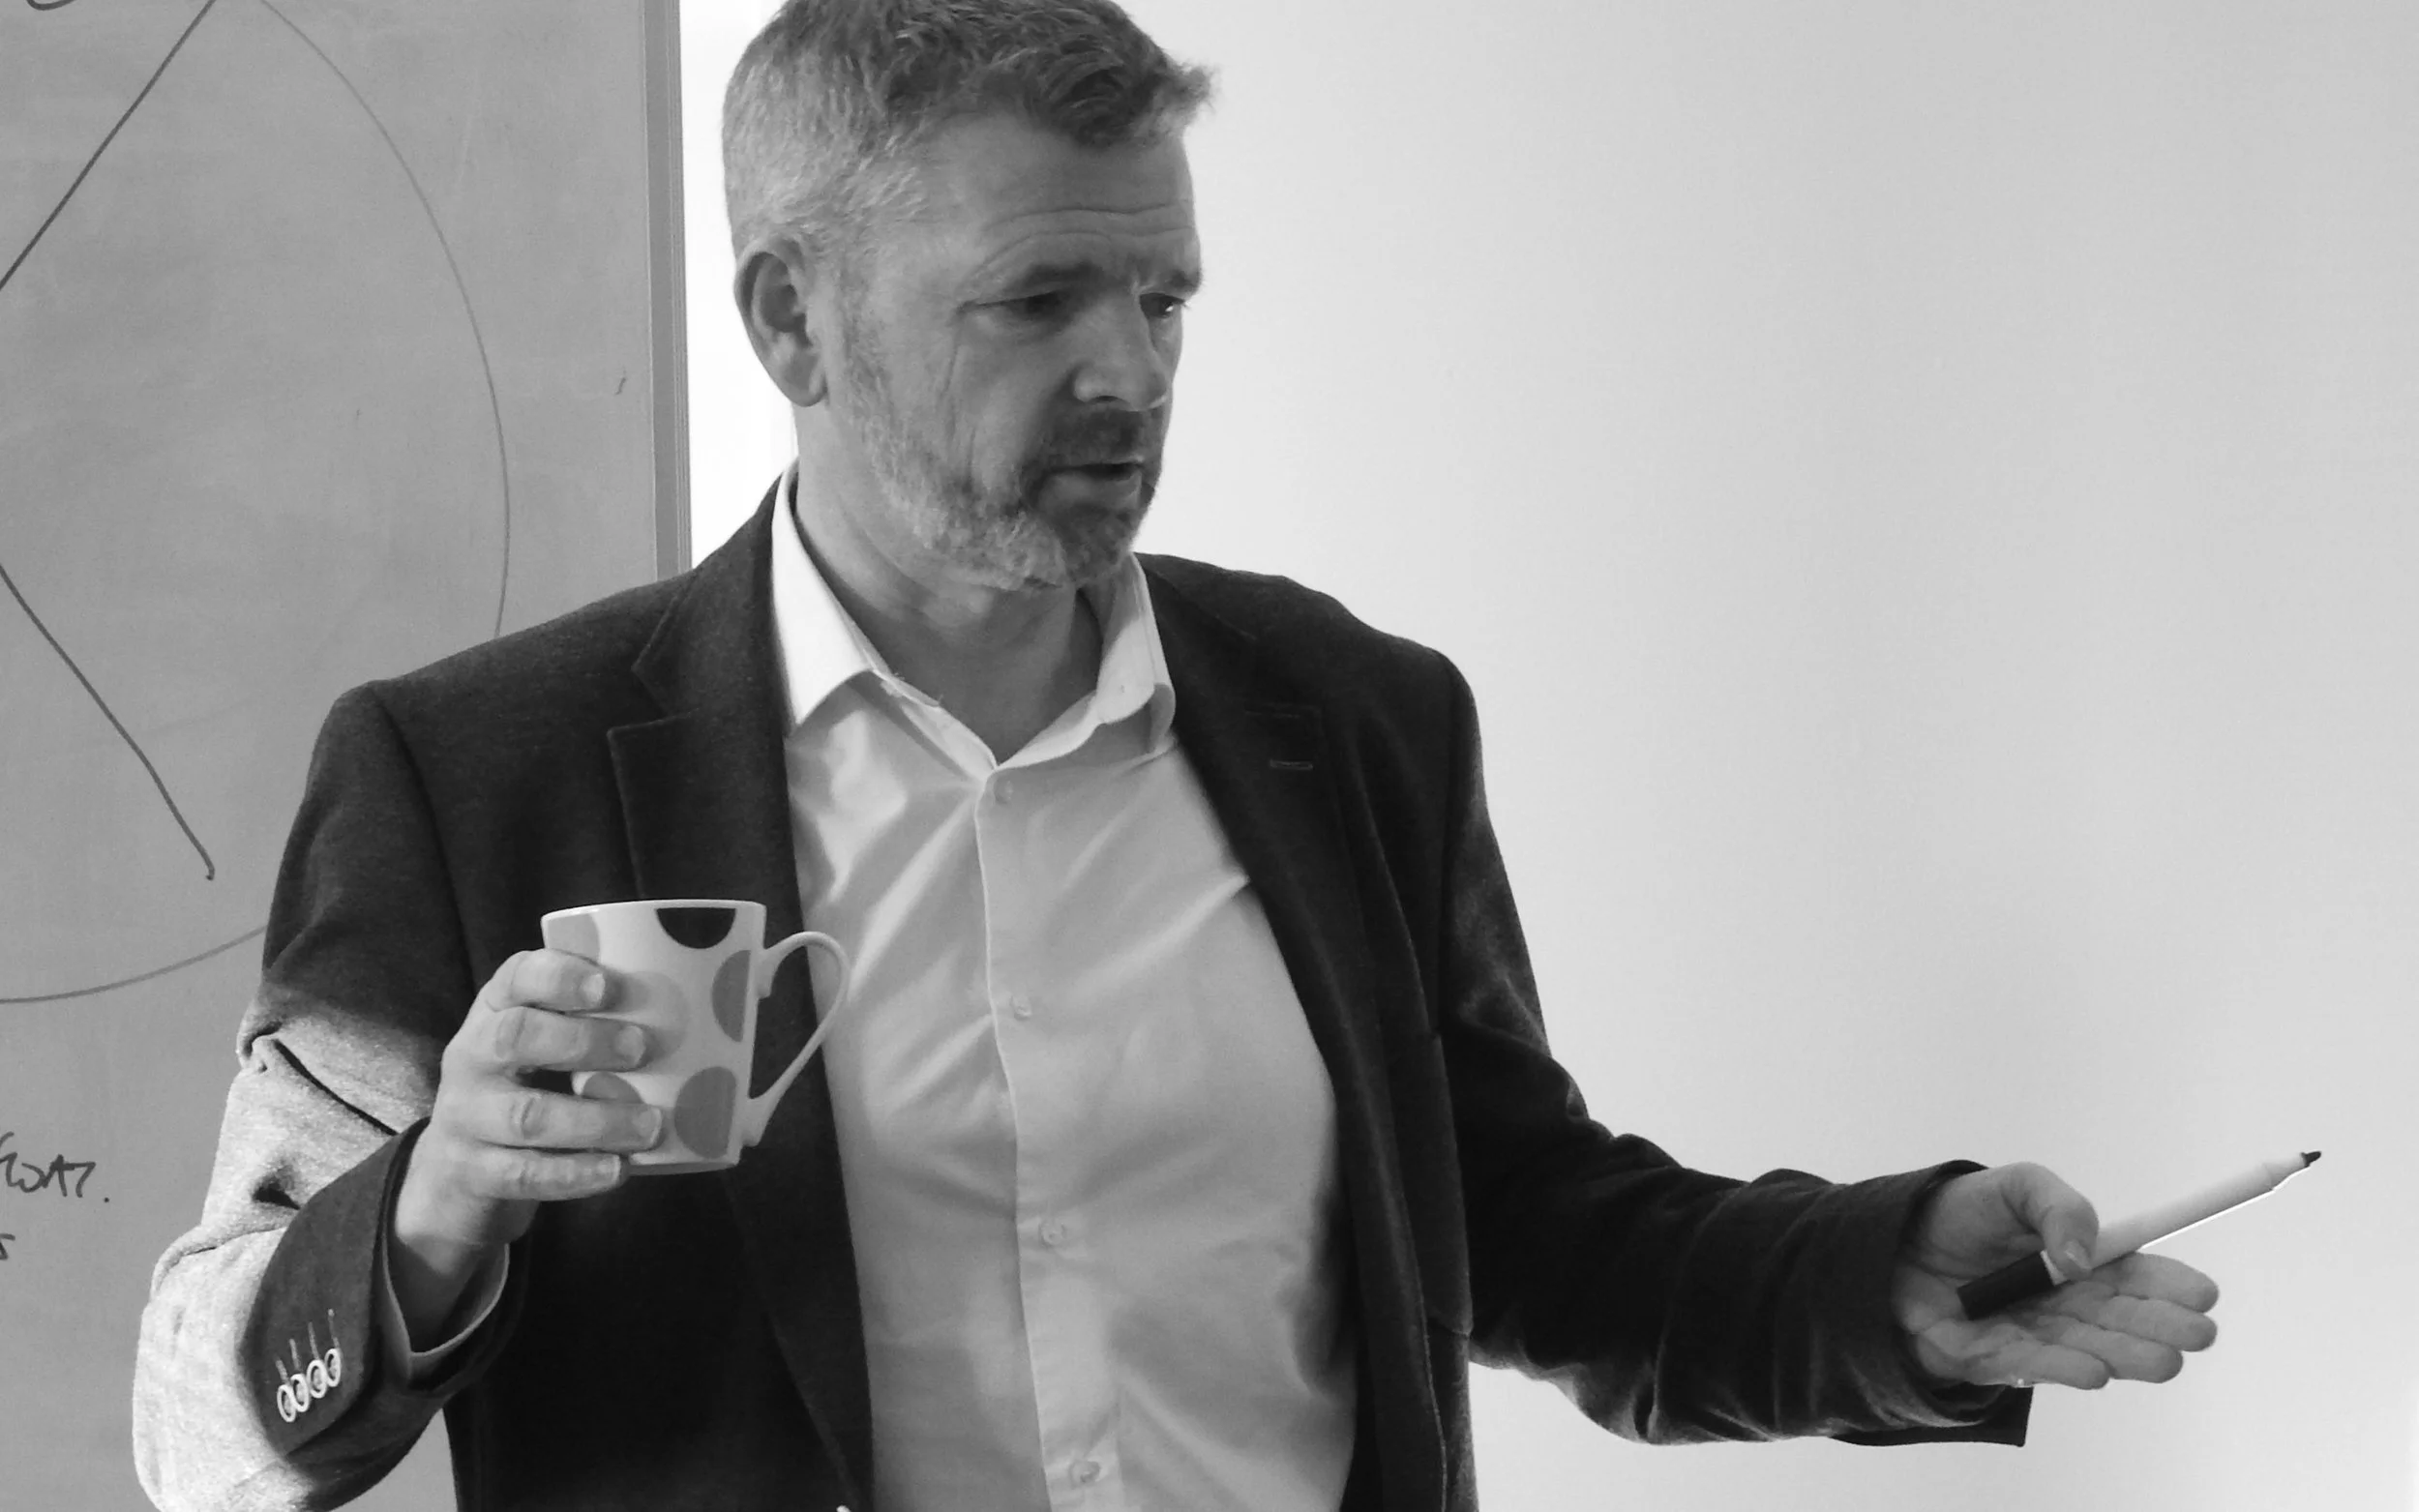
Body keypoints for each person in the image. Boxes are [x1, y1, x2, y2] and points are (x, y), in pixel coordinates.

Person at [134, 2, 2222, 1509]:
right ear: (789, 323)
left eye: (1163, 296)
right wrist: (427, 1217)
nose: (1126, 372)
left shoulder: (1347, 719)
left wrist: (1887, 1280)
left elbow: (1525, 1234)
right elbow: (192, 1424)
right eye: (1037, 299)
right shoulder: (472, 773)